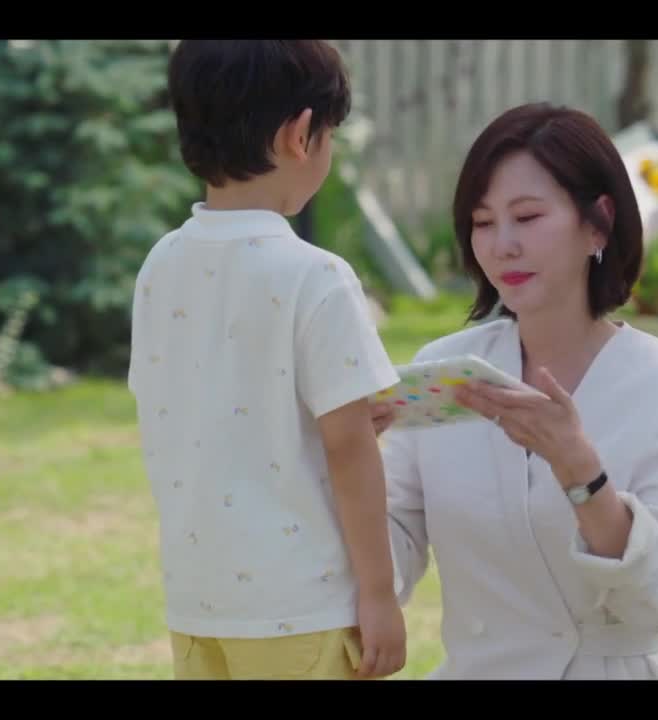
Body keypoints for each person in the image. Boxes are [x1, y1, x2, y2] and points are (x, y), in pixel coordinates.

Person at [372, 103, 658, 680]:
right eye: (483, 223)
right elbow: (393, 548)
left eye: (527, 217)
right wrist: (342, 459)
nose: (502, 245)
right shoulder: (444, 372)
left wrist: (581, 471)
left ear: (598, 223)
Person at [128, 40, 406, 680]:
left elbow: (194, 412)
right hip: (301, 609)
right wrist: (379, 594)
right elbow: (349, 449)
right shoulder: (318, 276)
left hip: (198, 603)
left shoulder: (159, 265)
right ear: (300, 135)